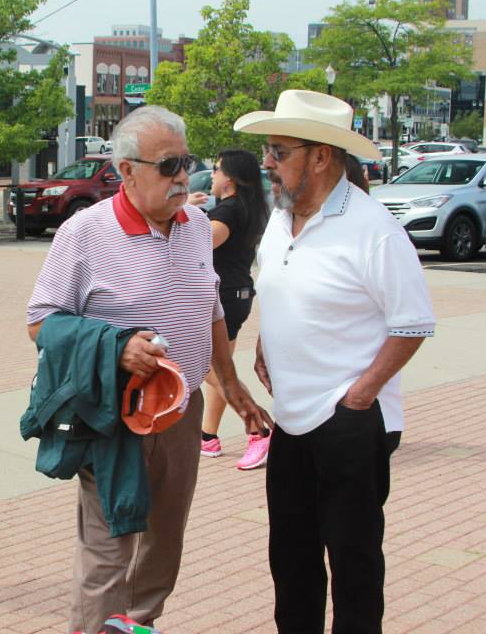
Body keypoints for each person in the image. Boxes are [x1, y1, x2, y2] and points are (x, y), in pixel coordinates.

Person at [26, 105, 272, 634]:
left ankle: (137, 625)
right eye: (167, 165)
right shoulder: (84, 233)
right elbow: (41, 324)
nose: (182, 175)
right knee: (110, 546)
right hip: (112, 416)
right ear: (127, 171)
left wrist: (233, 387)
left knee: (164, 540)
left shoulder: (196, 226)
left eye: (186, 162)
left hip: (181, 414)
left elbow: (210, 312)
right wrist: (114, 348)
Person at [235, 90, 435, 633]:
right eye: (268, 152)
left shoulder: (375, 231)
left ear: (321, 156)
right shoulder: (281, 220)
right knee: (291, 563)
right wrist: (264, 342)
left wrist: (360, 394)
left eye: (279, 151)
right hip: (292, 422)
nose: (268, 164)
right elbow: (281, 288)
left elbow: (413, 323)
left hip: (349, 422)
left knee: (354, 566)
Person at [198, 150, 272, 470]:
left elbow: (199, 245)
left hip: (223, 299)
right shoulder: (248, 207)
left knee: (205, 369)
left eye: (215, 169)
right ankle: (208, 437)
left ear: (229, 178)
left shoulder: (227, 211)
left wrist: (183, 212)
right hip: (237, 294)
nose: (211, 175)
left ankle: (259, 429)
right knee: (222, 368)